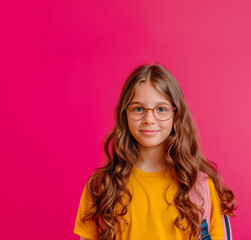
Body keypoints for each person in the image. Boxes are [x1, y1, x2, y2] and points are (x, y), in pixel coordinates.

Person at [74, 63, 236, 240]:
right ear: (124, 114)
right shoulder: (101, 187)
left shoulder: (202, 187)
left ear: (176, 114)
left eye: (161, 109)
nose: (149, 119)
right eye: (138, 109)